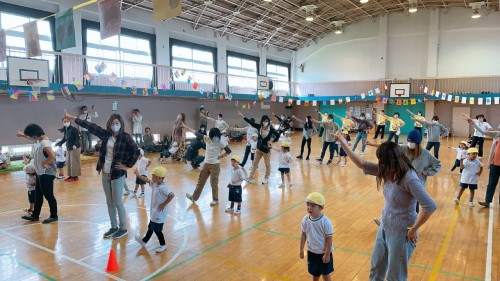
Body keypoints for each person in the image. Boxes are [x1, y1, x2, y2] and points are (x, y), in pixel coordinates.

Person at [337, 136, 437, 281]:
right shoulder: (387, 171)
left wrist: (414, 229)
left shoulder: (409, 178)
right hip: (384, 227)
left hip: (402, 232)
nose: (380, 163)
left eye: (382, 160)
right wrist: (343, 143)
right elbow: (361, 163)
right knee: (376, 268)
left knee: (395, 276)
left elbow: (430, 206)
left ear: (391, 160)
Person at [67, 111, 141, 239]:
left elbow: (136, 152)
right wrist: (73, 118)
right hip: (105, 172)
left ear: (121, 124)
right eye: (113, 124)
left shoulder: (126, 137)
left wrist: (127, 166)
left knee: (117, 202)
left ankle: (123, 228)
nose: (115, 126)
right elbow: (90, 126)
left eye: (117, 123)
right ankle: (113, 226)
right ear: (109, 125)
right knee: (109, 201)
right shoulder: (106, 135)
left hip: (117, 174)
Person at [16, 124, 58, 224]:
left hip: (46, 174)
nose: (32, 138)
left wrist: (45, 163)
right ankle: (35, 215)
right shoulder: (41, 140)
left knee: (48, 195)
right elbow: (34, 140)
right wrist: (24, 136)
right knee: (38, 195)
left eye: (31, 135)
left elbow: (52, 155)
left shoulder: (44, 143)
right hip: (40, 173)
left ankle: (54, 215)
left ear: (35, 134)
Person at [184, 125, 232, 206]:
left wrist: (221, 156)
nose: (215, 138)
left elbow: (229, 151)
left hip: (215, 165)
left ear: (218, 136)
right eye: (213, 136)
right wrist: (185, 126)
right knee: (201, 181)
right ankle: (194, 198)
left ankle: (215, 200)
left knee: (214, 183)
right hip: (206, 164)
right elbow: (196, 133)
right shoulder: (207, 138)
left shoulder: (220, 142)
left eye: (216, 136)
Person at [134, 166, 175, 253]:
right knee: (151, 227)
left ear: (159, 178)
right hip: (154, 211)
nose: (152, 177)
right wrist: (138, 175)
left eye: (153, 176)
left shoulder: (163, 188)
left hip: (159, 212)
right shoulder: (155, 184)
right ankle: (144, 241)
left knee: (157, 229)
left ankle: (163, 244)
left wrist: (163, 204)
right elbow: (148, 180)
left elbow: (171, 195)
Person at [463, 114, 500, 208]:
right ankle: (487, 201)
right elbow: (482, 131)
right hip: (495, 164)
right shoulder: (497, 134)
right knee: (491, 183)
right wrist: (473, 124)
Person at [299, 192, 334, 281]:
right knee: (315, 274)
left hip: (323, 253)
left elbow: (329, 239)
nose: (309, 208)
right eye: (308, 205)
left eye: (313, 205)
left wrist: (327, 254)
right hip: (311, 252)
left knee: (326, 275)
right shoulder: (305, 220)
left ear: (321, 207)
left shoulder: (325, 222)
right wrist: (301, 249)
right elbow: (303, 235)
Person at [238, 112, 280, 184]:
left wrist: (271, 141)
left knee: (267, 164)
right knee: (254, 164)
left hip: (266, 150)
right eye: (264, 121)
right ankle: (250, 177)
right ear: (262, 121)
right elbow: (250, 122)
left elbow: (278, 135)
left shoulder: (271, 129)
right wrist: (242, 116)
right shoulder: (259, 127)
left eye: (266, 121)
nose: (265, 122)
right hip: (259, 149)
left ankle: (266, 178)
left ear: (268, 121)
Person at [56, 117, 81, 182]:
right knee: (69, 163)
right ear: (63, 123)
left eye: (67, 121)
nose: (66, 122)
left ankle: (75, 177)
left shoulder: (74, 129)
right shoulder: (66, 129)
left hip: (75, 148)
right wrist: (59, 143)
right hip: (69, 148)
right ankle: (71, 176)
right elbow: (65, 138)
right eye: (64, 121)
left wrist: (75, 144)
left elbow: (77, 138)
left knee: (74, 163)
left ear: (70, 122)